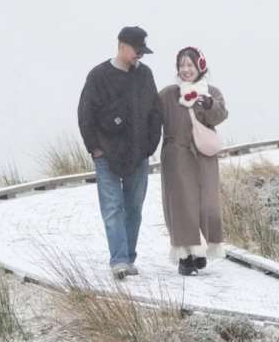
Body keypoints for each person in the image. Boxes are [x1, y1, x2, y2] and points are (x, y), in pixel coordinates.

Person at [77, 26, 162, 280]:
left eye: (143, 51)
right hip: (106, 156)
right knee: (112, 207)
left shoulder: (145, 75)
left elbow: (156, 112)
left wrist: (149, 146)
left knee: (134, 207)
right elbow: (85, 115)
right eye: (138, 50)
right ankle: (119, 260)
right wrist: (96, 149)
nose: (141, 56)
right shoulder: (98, 76)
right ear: (122, 46)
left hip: (138, 155)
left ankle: (129, 256)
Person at [158, 47, 229, 275]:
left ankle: (201, 251)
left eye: (190, 65)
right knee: (182, 205)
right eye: (182, 65)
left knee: (207, 205)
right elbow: (151, 119)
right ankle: (185, 257)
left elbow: (220, 115)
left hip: (204, 156)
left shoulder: (212, 92)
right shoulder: (168, 94)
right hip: (177, 155)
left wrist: (207, 102)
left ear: (200, 66)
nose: (186, 70)